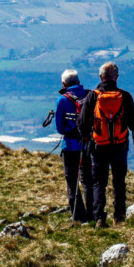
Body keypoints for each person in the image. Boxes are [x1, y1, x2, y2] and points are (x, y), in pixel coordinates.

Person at [79, 61, 134, 227]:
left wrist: (90, 134)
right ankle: (119, 216)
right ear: (116, 77)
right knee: (119, 182)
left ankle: (99, 217)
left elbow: (82, 124)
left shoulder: (93, 96)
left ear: (100, 77)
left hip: (98, 146)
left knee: (99, 183)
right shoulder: (124, 96)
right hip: (120, 146)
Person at [54, 68, 91, 223]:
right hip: (88, 145)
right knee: (88, 180)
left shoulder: (62, 100)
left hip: (70, 146)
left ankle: (78, 216)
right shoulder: (90, 96)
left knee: (72, 181)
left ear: (64, 84)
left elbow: (60, 128)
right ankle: (93, 213)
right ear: (79, 82)